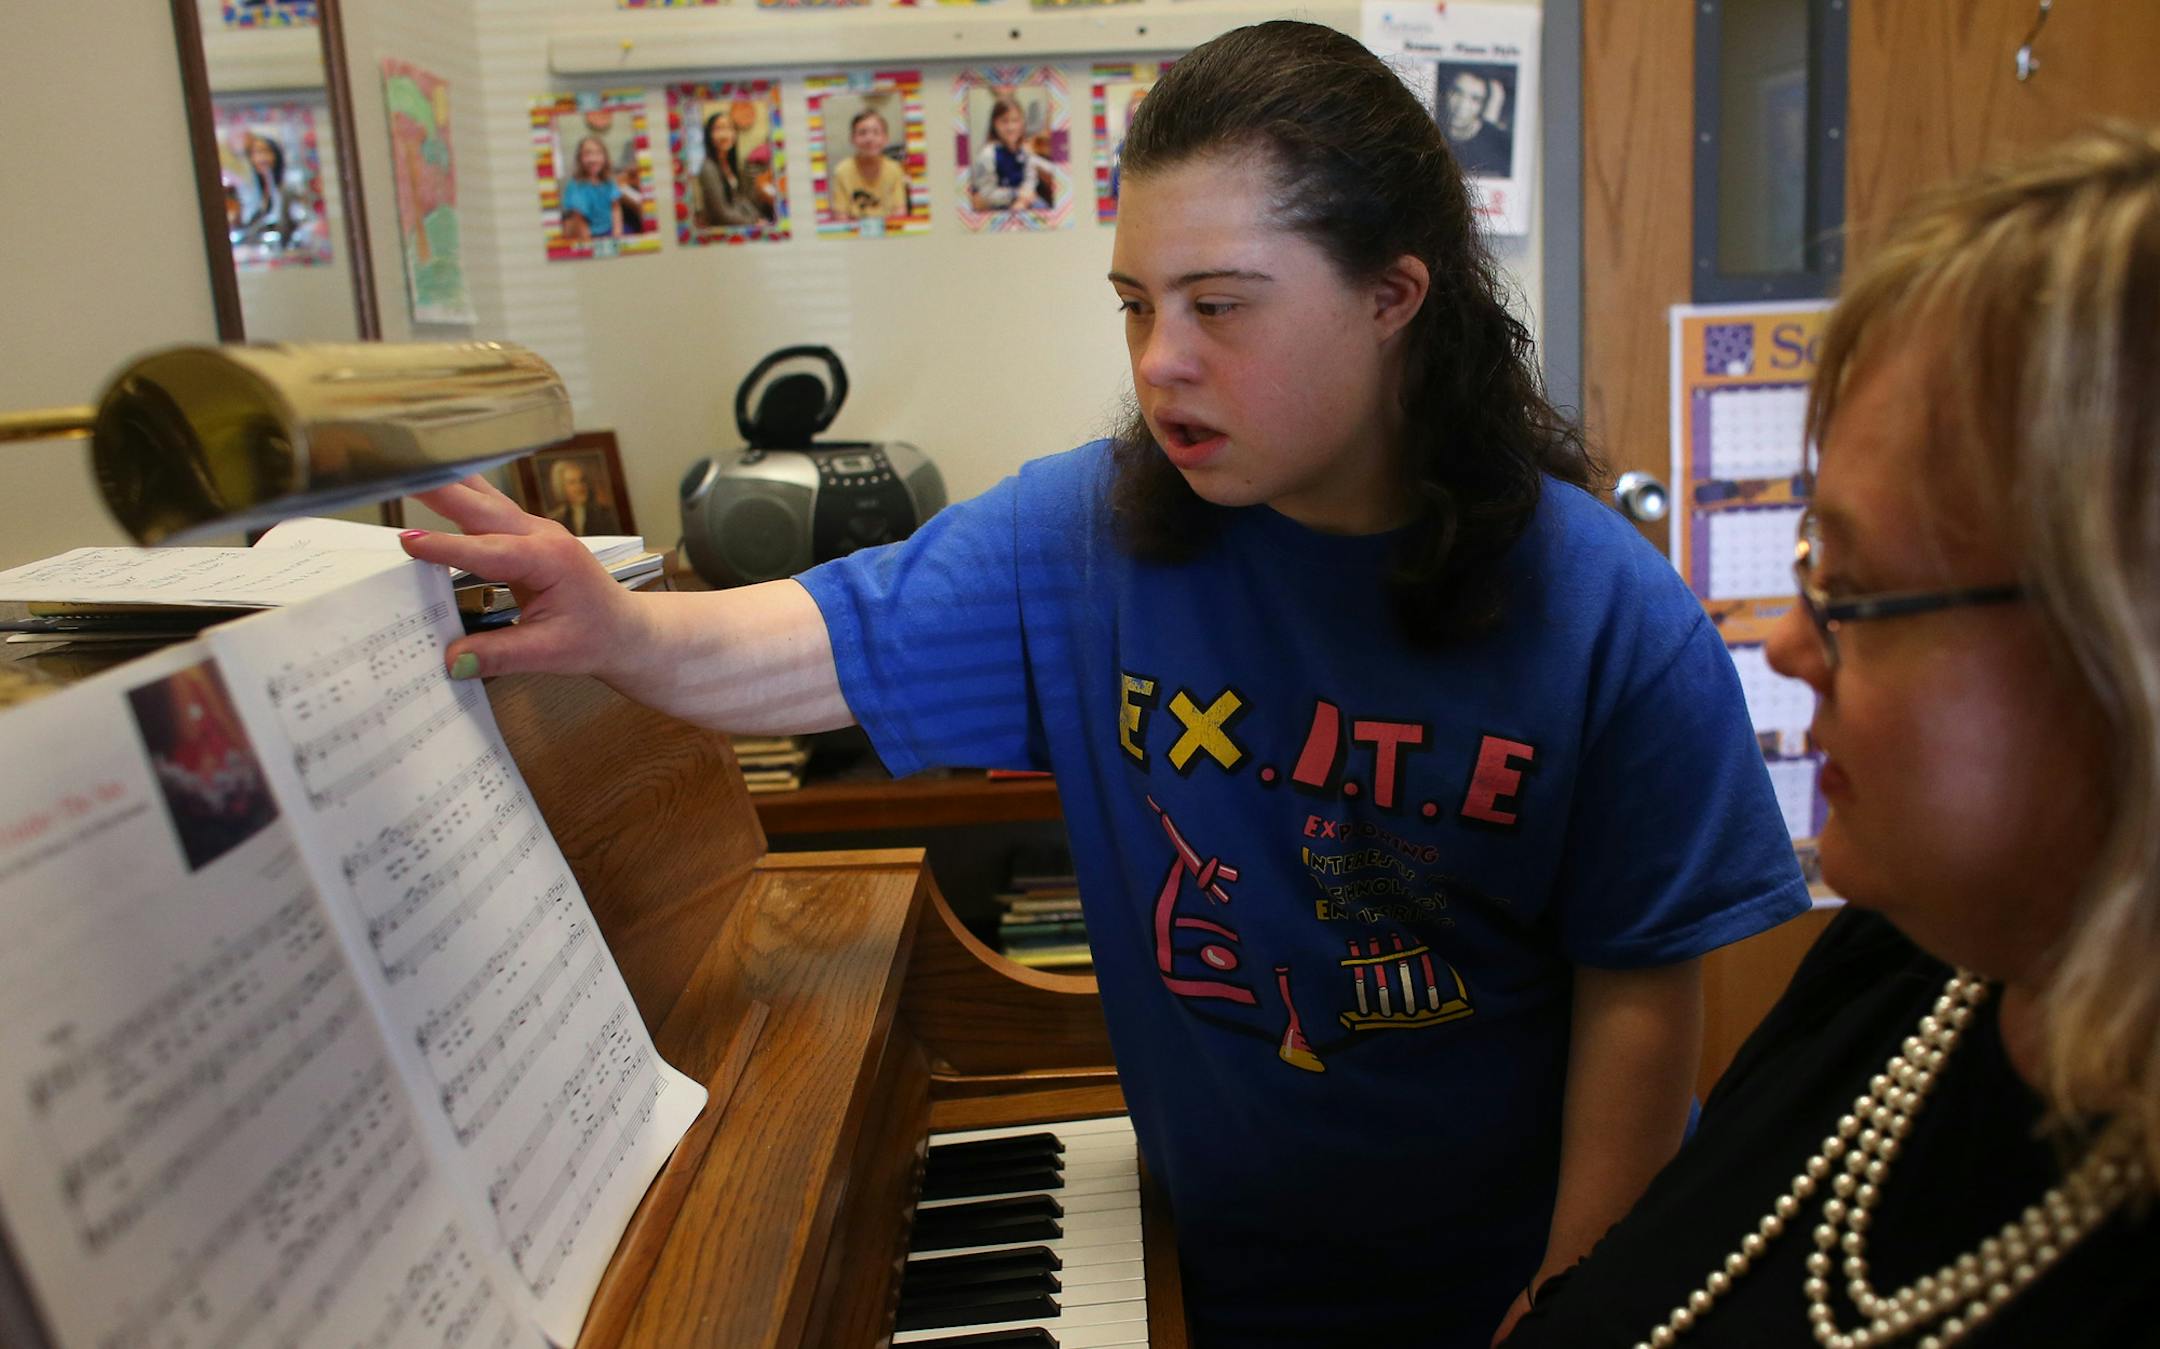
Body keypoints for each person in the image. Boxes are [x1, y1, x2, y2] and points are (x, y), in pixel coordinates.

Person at [400, 21, 1807, 1346]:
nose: (1159, 363)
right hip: (1215, 1277)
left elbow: (1644, 1007)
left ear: (1393, 297)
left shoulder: (1609, 614)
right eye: (1137, 306)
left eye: (1219, 307)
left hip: (1502, 1295)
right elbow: (819, 640)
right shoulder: (1084, 533)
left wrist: (1570, 1305)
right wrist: (624, 630)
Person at [1501, 126, 2160, 1348]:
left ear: (2122, 654)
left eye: (1853, 589)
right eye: (1812, 562)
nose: (1795, 647)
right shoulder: (1903, 962)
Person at [696, 110, 773, 229]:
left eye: (730, 128)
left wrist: (757, 218)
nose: (725, 134)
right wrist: (753, 223)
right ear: (709, 135)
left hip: (738, 221)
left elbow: (740, 199)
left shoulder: (729, 164)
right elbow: (721, 214)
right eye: (719, 129)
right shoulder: (708, 168)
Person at [829, 107, 909, 221]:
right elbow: (841, 215)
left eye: (876, 133)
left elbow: (900, 211)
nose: (869, 138)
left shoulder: (894, 169)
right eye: (862, 133)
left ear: (886, 139)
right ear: (852, 139)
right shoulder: (842, 170)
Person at [968, 95, 1046, 211]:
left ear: (1022, 122)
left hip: (1022, 200)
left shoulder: (1025, 150)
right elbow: (986, 194)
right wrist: (1015, 194)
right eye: (1004, 121)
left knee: (1043, 208)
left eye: (1015, 120)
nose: (1011, 127)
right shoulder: (987, 154)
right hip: (997, 206)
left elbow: (1031, 178)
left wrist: (1024, 199)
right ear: (995, 124)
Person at [232, 133, 303, 248]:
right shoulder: (248, 190)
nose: (261, 158)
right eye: (256, 153)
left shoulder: (288, 189)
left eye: (265, 151)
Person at [1441, 68, 1514, 178]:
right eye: (1457, 92)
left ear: (1483, 106)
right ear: (1445, 93)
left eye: (1475, 99)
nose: (1462, 106)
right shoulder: (1428, 133)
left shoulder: (1501, 145)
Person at [559, 134, 622, 241]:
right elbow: (580, 222)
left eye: (598, 153)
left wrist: (617, 233)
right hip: (592, 235)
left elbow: (615, 208)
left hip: (610, 230)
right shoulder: (576, 187)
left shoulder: (609, 181)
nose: (593, 159)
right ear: (579, 158)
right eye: (587, 154)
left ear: (605, 157)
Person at [544, 459, 621, 537]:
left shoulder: (605, 515)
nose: (579, 486)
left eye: (582, 480)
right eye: (572, 482)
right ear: (562, 487)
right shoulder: (555, 519)